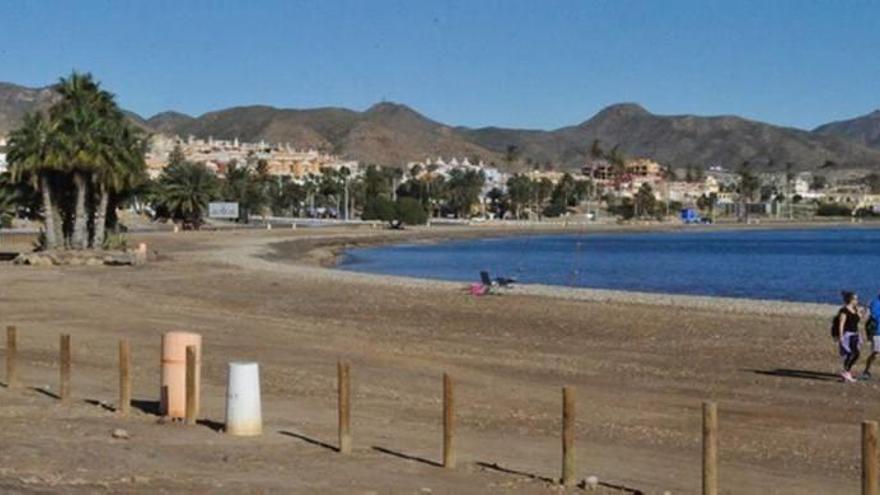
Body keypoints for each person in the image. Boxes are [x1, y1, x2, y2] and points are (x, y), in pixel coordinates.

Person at [837, 291, 863, 383]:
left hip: (855, 334)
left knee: (851, 354)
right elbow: (841, 324)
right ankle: (846, 372)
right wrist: (840, 337)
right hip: (848, 335)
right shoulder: (844, 311)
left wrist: (859, 311)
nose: (857, 300)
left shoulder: (855, 309)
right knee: (855, 354)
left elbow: (859, 318)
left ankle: (846, 373)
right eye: (855, 299)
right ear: (850, 300)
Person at [860, 292, 880, 379]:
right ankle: (866, 371)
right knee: (876, 353)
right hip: (877, 332)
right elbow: (875, 316)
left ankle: (866, 371)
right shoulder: (875, 302)